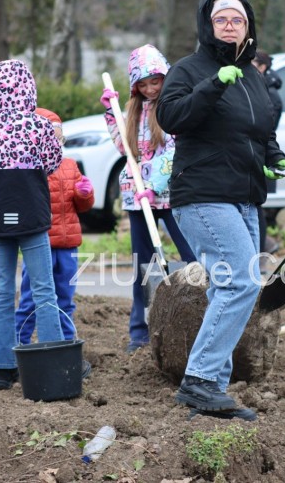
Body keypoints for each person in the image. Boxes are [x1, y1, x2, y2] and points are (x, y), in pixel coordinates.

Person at [156, 0, 285, 420]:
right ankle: (198, 381)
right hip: (202, 194)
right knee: (240, 283)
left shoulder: (252, 74)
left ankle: (213, 386)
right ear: (208, 25)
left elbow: (259, 127)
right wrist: (214, 85)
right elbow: (172, 118)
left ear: (248, 26)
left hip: (246, 198)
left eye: (238, 19)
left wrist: (275, 157)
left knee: (229, 287)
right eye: (222, 19)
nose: (230, 25)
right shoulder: (188, 69)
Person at [0, 59, 65, 391]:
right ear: (29, 87)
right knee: (43, 290)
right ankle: (53, 358)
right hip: (32, 214)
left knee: (3, 290)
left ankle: (3, 369)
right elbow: (52, 162)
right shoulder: (39, 125)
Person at [99, 43, 196, 354]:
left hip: (167, 194)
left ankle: (197, 318)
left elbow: (173, 150)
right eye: (144, 84)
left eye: (156, 81)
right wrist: (111, 114)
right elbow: (123, 148)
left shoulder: (172, 106)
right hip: (136, 198)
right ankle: (139, 332)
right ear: (135, 86)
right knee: (143, 266)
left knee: (191, 255)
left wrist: (154, 185)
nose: (151, 89)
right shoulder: (134, 110)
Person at [14, 108, 96, 380]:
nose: (57, 143)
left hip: (68, 244)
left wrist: (85, 193)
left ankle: (66, 350)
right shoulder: (30, 167)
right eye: (52, 137)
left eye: (60, 138)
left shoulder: (70, 165)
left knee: (65, 300)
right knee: (30, 298)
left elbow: (83, 205)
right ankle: (19, 346)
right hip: (40, 244)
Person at [252, 49, 284, 256]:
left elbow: (265, 129)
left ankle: (262, 252)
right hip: (257, 154)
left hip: (261, 155)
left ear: (263, 67)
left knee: (256, 208)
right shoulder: (259, 88)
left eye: (254, 64)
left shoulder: (269, 94)